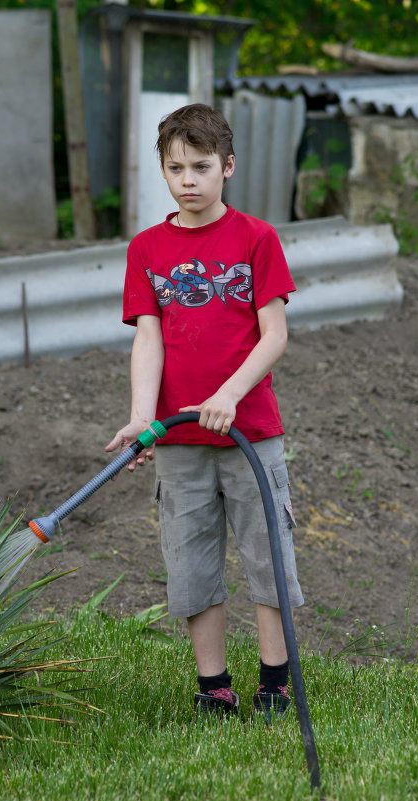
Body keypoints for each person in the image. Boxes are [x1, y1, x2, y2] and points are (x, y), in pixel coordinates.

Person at [106, 103, 303, 722]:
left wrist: (228, 395)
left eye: (201, 166)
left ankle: (275, 681)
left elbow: (274, 335)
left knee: (267, 557)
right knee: (191, 563)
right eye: (175, 168)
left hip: (251, 433)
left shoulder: (255, 238)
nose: (188, 180)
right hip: (179, 440)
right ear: (162, 171)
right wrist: (144, 418)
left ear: (228, 167)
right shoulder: (148, 249)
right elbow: (148, 338)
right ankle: (213, 685)